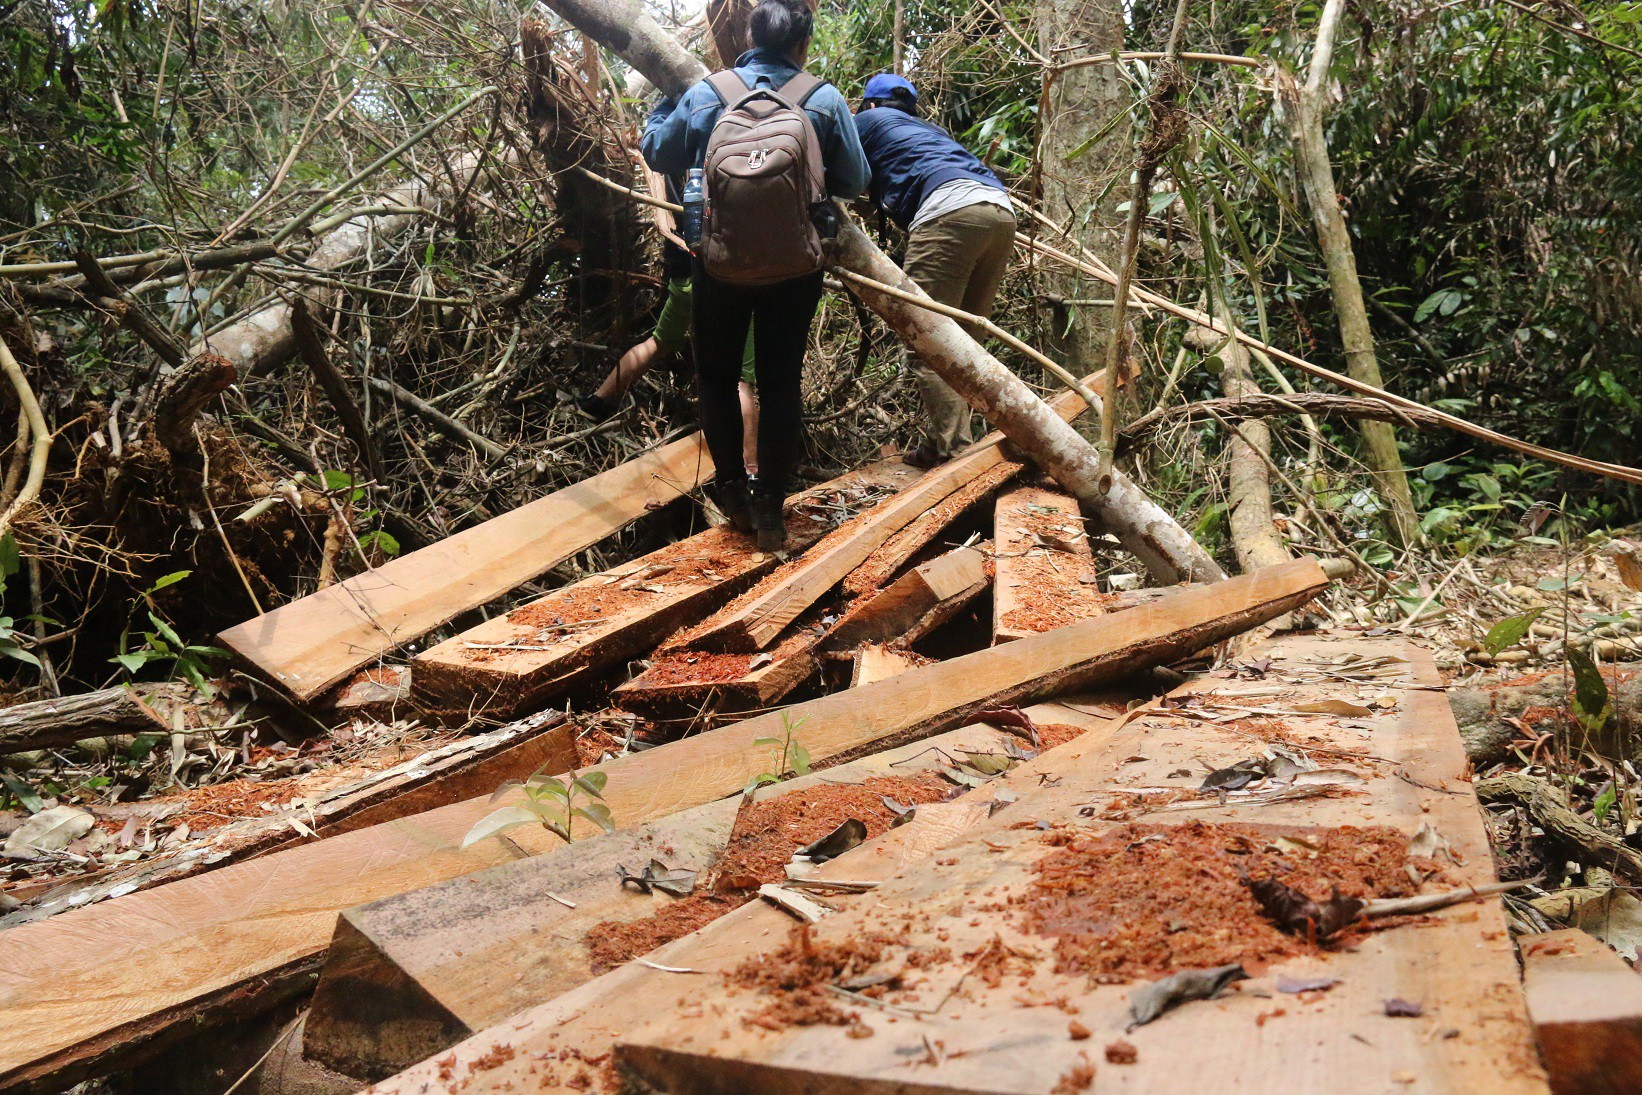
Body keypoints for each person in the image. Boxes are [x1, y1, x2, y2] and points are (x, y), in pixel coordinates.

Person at [641, 0, 869, 550]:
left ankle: (733, 497)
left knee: (717, 377)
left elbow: (657, 151)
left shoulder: (705, 93)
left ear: (748, 35)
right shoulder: (822, 98)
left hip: (719, 263)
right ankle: (771, 508)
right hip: (795, 267)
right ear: (803, 44)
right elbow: (856, 179)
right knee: (780, 381)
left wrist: (658, 108)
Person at [853, 73, 1017, 468]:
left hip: (948, 213)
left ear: (869, 105)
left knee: (930, 346)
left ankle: (958, 458)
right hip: (998, 210)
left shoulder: (865, 122)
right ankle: (945, 443)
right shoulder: (927, 131)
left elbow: (838, 171)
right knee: (964, 345)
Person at [577, 239, 763, 477]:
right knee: (741, 381)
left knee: (657, 343)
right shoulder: (732, 202)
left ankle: (597, 402)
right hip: (732, 287)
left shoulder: (672, 200)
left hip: (685, 283)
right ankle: (750, 468)